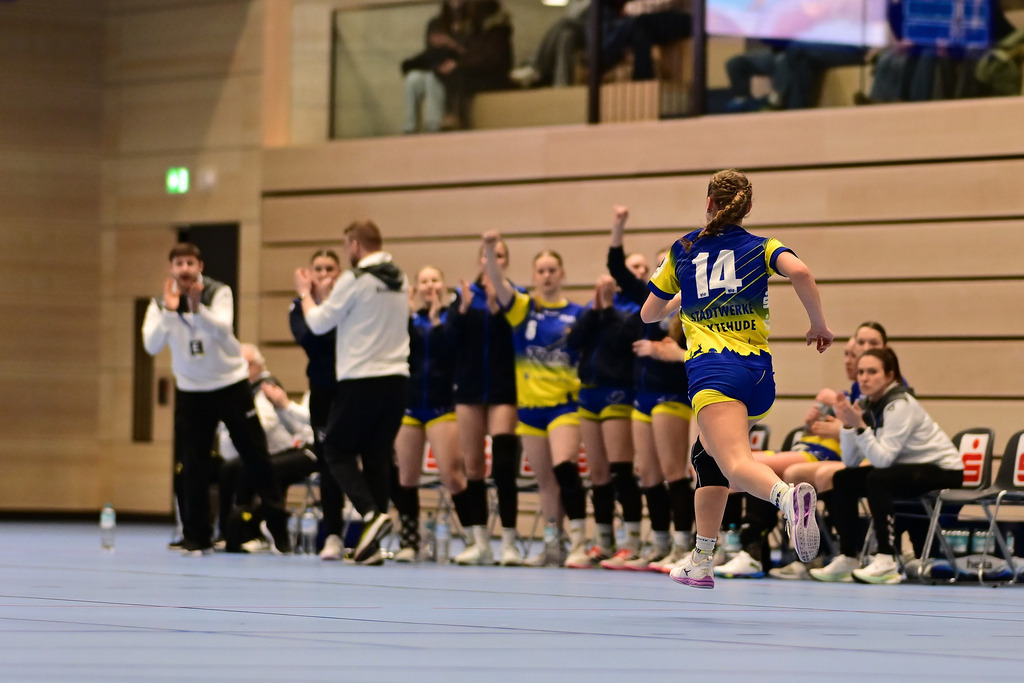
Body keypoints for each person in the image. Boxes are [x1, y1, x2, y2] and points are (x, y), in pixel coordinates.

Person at [641, 169, 834, 590]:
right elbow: (800, 272)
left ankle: (788, 498)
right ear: (747, 209)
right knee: (706, 458)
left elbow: (648, 314)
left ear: (709, 203)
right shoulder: (763, 246)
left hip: (714, 369)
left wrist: (677, 297)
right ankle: (703, 557)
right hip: (758, 373)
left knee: (734, 462)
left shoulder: (683, 248)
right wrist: (818, 325)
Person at [141, 242, 291, 556]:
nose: (184, 269)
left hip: (229, 384)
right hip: (192, 391)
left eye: (190, 263)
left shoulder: (218, 292)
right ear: (171, 269)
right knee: (193, 465)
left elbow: (224, 331)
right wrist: (171, 311)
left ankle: (278, 529)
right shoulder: (159, 304)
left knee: (255, 454)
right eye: (178, 263)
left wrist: (198, 308)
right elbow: (152, 346)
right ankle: (197, 535)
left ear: (200, 267)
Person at [295, 220, 410, 565]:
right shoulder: (401, 279)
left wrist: (305, 293)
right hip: (398, 380)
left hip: (362, 379)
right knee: (375, 457)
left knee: (334, 449)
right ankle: (369, 547)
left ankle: (371, 514)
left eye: (348, 247)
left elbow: (317, 324)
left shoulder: (355, 279)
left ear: (356, 246)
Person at [810, 348, 963, 585]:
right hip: (908, 467)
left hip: (943, 470)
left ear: (890, 376)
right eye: (861, 372)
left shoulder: (899, 405)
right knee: (843, 479)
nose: (864, 377)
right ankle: (849, 556)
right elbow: (851, 462)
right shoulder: (867, 404)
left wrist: (860, 426)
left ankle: (886, 558)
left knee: (878, 479)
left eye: (872, 372)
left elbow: (882, 461)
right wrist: (848, 427)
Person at [482, 233, 587, 568]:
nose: (546, 275)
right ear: (533, 275)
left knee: (565, 469)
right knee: (545, 484)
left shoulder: (577, 315)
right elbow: (498, 285)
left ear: (562, 274)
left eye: (552, 269)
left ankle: (581, 543)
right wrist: (488, 250)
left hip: (564, 407)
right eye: (540, 270)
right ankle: (552, 542)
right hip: (530, 411)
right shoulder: (523, 310)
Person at [607, 208, 695, 572]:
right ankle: (659, 543)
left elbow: (705, 352)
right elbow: (616, 267)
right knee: (648, 473)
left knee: (675, 471)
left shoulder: (693, 303)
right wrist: (619, 226)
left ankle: (682, 544)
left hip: (671, 395)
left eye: (667, 265)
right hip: (643, 396)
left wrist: (674, 354)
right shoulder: (651, 299)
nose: (663, 271)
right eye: (660, 266)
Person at [392, 266, 491, 564]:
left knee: (452, 475)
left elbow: (454, 353)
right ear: (416, 289)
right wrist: (408, 317)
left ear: (443, 284)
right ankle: (410, 542)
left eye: (434, 280)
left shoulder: (451, 318)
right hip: (410, 406)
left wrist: (437, 322)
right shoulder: (408, 320)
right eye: (423, 281)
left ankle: (475, 539)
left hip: (442, 406)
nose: (429, 286)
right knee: (406, 477)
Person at [448, 239, 523, 565]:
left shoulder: (514, 296)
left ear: (504, 261)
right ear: (480, 259)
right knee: (474, 466)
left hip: (504, 388)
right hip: (469, 389)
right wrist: (463, 311)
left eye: (500, 255)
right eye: (488, 254)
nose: (493, 259)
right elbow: (448, 341)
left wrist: (498, 313)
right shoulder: (463, 296)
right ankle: (480, 541)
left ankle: (508, 541)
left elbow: (521, 338)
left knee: (504, 466)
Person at [565, 274, 645, 568]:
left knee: (621, 469)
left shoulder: (638, 307)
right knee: (597, 474)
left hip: (617, 391)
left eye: (639, 268)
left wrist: (609, 308)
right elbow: (573, 341)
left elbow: (620, 341)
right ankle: (604, 540)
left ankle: (633, 541)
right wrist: (595, 310)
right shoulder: (596, 306)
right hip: (589, 394)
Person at [217, 344, 317, 551]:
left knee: (256, 467)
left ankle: (256, 529)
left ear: (258, 366)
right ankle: (228, 530)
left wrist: (285, 405)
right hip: (271, 451)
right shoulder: (236, 390)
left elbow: (269, 425)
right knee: (229, 469)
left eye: (247, 364)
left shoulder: (267, 387)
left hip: (294, 450)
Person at [289, 249, 348, 561]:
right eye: (319, 269)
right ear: (309, 274)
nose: (324, 275)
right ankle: (334, 535)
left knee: (367, 458)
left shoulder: (350, 302)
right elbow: (310, 340)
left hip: (352, 390)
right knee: (328, 463)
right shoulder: (299, 307)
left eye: (330, 269)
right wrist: (319, 305)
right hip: (323, 393)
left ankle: (372, 532)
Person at [509, 0, 590, 88]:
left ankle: (535, 67)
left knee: (563, 22)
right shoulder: (574, 3)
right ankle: (561, 83)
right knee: (566, 36)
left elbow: (574, 17)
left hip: (594, 33)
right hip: (575, 33)